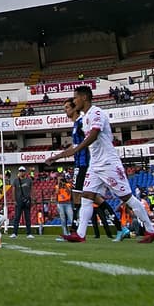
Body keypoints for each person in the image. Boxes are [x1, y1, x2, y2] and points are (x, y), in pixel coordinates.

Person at [47, 86, 154, 243]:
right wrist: (57, 156)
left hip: (108, 163)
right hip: (95, 164)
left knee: (127, 197)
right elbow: (81, 142)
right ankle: (80, 234)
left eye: (75, 97)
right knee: (86, 196)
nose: (74, 100)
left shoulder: (97, 113)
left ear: (84, 98)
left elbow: (94, 134)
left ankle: (150, 230)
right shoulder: (85, 119)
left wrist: (78, 148)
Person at [46, 97, 127, 242]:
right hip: (81, 163)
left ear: (74, 108)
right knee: (94, 197)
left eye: (67, 107)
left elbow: (89, 143)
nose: (65, 110)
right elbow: (75, 147)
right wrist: (57, 156)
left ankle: (74, 231)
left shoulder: (82, 123)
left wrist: (58, 157)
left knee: (78, 196)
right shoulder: (76, 125)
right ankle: (120, 227)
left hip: (86, 164)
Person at [10, 167, 35, 238]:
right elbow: (13, 191)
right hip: (19, 201)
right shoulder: (16, 181)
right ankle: (15, 233)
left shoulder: (29, 180)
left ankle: (29, 233)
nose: (22, 172)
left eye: (23, 171)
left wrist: (33, 198)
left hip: (27, 200)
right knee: (17, 217)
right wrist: (14, 200)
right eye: (20, 171)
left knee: (27, 217)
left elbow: (32, 189)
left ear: (25, 172)